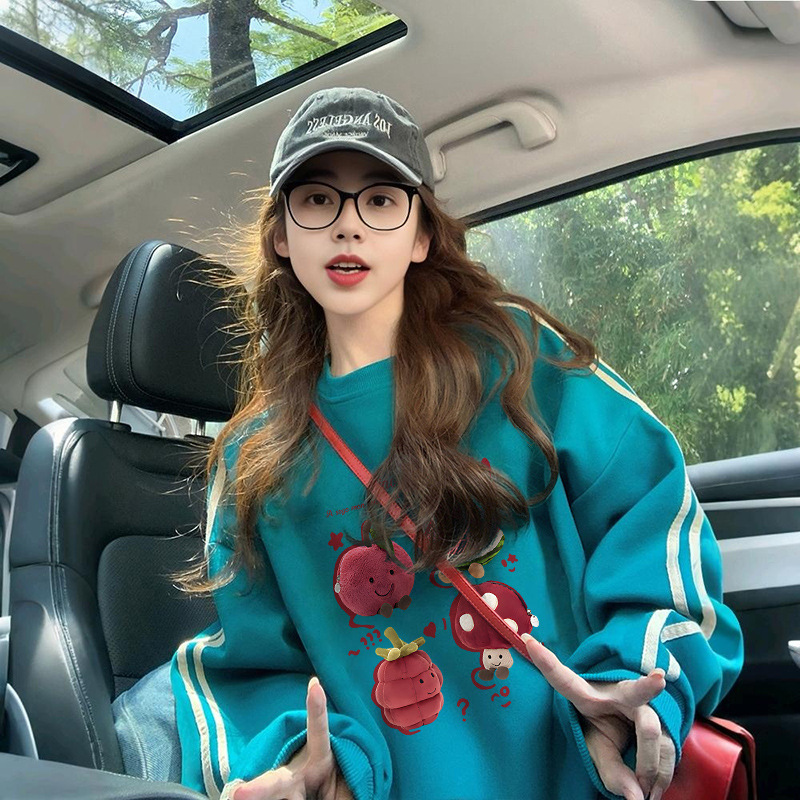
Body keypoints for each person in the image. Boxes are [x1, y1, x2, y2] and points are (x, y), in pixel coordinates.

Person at [153, 86, 744, 800]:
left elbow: (655, 524)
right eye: (316, 200)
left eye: (380, 200)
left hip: (581, 779)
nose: (348, 228)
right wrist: (308, 763)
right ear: (282, 235)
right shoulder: (254, 458)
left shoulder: (522, 362)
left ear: (421, 236)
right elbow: (249, 664)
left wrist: (628, 691)